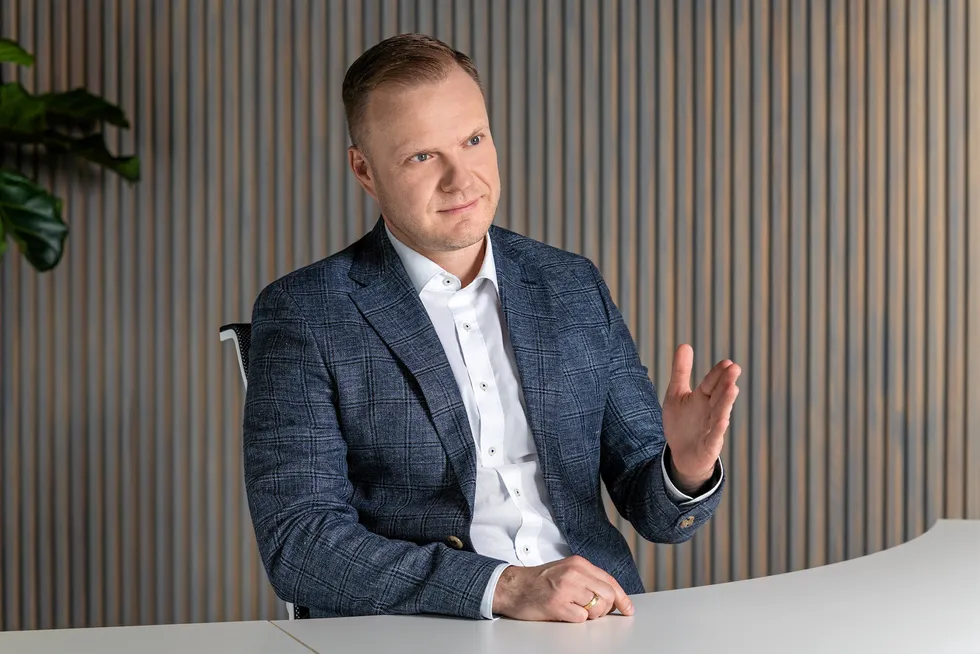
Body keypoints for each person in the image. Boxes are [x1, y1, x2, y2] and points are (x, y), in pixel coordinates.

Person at [243, 33, 741, 623]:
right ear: (365, 171)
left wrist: (685, 468)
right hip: (423, 630)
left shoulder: (571, 284)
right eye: (422, 156)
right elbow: (299, 543)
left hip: (597, 621)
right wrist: (502, 587)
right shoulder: (306, 312)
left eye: (473, 140)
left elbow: (656, 512)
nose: (461, 179)